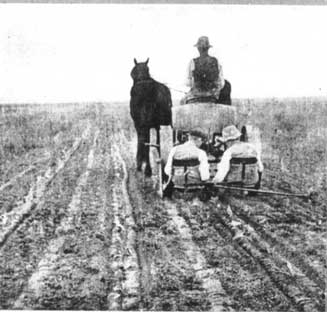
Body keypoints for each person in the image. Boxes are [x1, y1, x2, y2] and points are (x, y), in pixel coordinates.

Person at [182, 36, 225, 104]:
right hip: (212, 97)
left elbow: (188, 83)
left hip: (195, 96)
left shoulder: (192, 62)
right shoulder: (216, 61)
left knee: (182, 101)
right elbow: (221, 83)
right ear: (208, 48)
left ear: (198, 49)